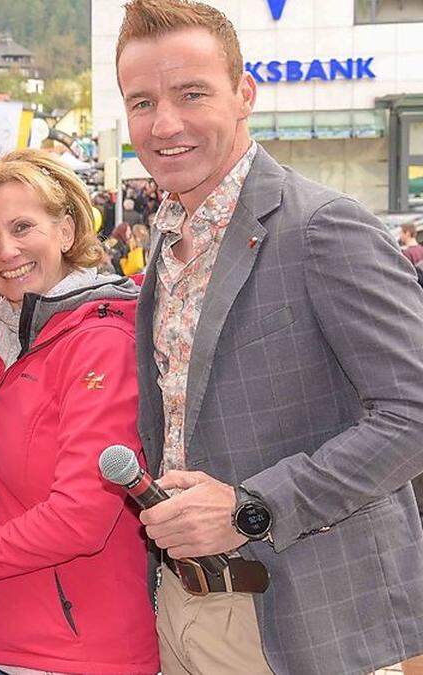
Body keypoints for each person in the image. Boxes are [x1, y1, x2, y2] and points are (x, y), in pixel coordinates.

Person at [114, 2, 423, 673]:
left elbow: (413, 415)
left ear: (244, 94)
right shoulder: (166, 240)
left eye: (191, 94)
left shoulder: (323, 227)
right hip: (180, 607)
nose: (165, 123)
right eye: (142, 102)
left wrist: (254, 508)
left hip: (305, 623)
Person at [0, 149, 159, 675]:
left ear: (66, 231)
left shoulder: (98, 342)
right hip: (8, 648)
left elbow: (80, 519)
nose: (7, 251)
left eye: (23, 227)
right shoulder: (4, 341)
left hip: (77, 655)